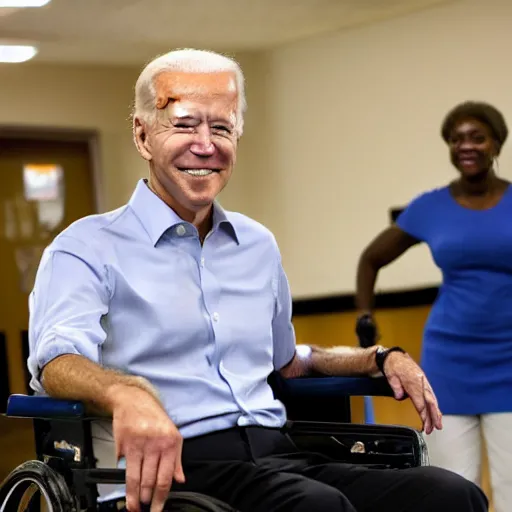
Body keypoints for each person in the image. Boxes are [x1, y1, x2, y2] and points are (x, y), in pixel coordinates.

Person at [28, 50, 486, 512]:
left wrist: (378, 357)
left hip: (279, 455)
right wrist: (125, 391)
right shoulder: (86, 247)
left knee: (451, 495)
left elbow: (290, 361)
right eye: (184, 124)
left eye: (222, 127)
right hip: (173, 470)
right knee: (316, 507)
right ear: (143, 135)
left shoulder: (257, 245)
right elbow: (55, 360)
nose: (205, 144)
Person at [355, 100, 512, 511]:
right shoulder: (430, 207)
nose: (466, 146)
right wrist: (364, 314)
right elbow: (371, 258)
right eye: (456, 139)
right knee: (452, 488)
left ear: (496, 143)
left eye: (477, 136)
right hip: (450, 359)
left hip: (510, 358)